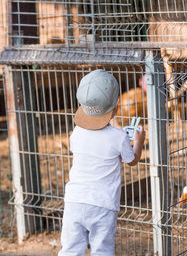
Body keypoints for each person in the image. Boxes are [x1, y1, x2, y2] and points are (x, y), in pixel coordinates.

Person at [58, 69, 145, 256]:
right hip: (102, 205)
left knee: (71, 249)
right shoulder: (119, 137)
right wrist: (138, 141)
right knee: (102, 250)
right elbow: (131, 160)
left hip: (74, 200)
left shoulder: (77, 133)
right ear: (117, 104)